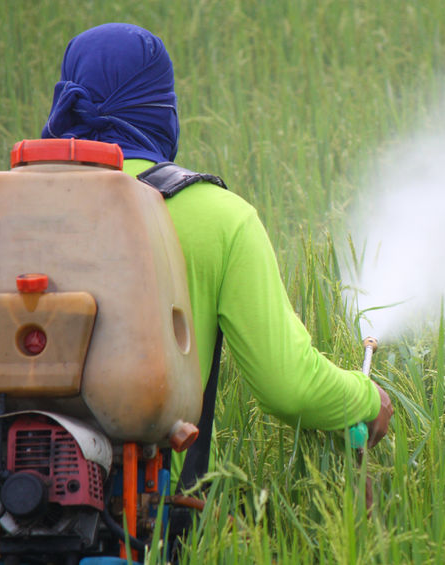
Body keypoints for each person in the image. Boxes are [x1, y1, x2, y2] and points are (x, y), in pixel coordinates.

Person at [41, 23, 393, 486]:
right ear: (159, 105)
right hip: (147, 519)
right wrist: (366, 400)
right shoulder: (219, 216)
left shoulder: (3, 206)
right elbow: (288, 386)